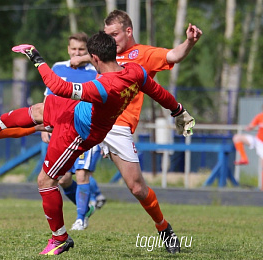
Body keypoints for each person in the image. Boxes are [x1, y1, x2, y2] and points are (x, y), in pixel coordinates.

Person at [0, 31, 195, 255]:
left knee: (47, 181)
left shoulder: (103, 87)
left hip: (80, 132)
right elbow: (157, 91)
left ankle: (61, 239)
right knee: (39, 110)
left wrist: (35, 56)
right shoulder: (134, 70)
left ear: (95, 58)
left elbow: (59, 86)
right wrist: (178, 111)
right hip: (78, 112)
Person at [70, 10, 202, 253]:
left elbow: (173, 55)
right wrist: (82, 59)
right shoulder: (104, 55)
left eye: (115, 34)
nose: (110, 40)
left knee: (137, 188)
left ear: (128, 32)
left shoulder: (142, 55)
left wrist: (190, 42)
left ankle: (163, 228)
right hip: (90, 119)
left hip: (119, 128)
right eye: (106, 35)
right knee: (45, 119)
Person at [42, 32, 105, 231]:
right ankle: (85, 207)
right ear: (68, 49)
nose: (77, 53)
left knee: (81, 174)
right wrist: (45, 126)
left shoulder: (95, 71)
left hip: (86, 130)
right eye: (74, 49)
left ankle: (80, 219)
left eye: (81, 50)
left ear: (88, 52)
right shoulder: (58, 68)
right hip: (61, 129)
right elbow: (48, 98)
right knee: (62, 178)